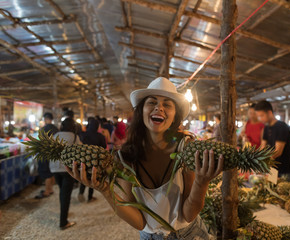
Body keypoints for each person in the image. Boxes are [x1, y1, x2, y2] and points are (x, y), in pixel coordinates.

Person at [66, 77, 223, 239]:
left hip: (191, 234)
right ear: (141, 111)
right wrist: (105, 190)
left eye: (167, 104)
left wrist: (202, 182)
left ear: (175, 115)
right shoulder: (125, 158)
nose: (159, 108)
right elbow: (140, 223)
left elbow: (188, 214)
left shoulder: (185, 148)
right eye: (152, 102)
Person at [50, 118, 82, 230]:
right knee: (66, 194)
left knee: (62, 192)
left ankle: (63, 214)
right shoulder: (74, 137)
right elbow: (79, 151)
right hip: (67, 168)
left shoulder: (55, 136)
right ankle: (63, 222)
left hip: (54, 168)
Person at [255, 100, 290, 181]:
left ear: (270, 113)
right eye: (258, 116)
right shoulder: (267, 128)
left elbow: (278, 151)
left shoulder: (281, 127)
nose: (260, 119)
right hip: (273, 170)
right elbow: (262, 147)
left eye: (262, 115)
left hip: (286, 171)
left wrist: (262, 163)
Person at [78, 118, 106, 203]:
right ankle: (90, 197)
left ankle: (81, 192)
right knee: (92, 178)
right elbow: (104, 146)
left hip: (84, 159)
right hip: (95, 160)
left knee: (83, 176)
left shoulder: (83, 134)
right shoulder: (100, 136)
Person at [35, 112, 58, 199]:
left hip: (45, 153)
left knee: (46, 172)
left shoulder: (43, 129)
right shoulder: (56, 129)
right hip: (54, 153)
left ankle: (47, 191)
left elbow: (40, 141)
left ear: (45, 119)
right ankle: (51, 189)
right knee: (52, 171)